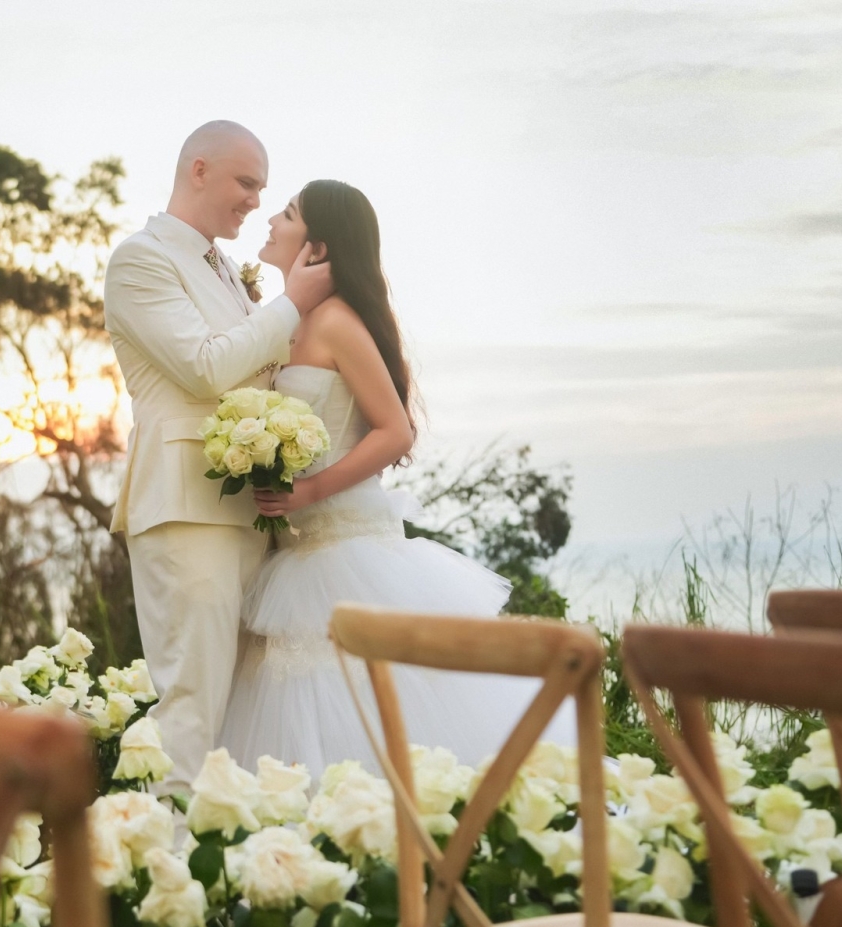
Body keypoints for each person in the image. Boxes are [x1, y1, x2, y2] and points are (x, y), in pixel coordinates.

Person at [217, 180, 575, 778]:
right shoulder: (287, 324)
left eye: (288, 213)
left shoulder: (336, 321)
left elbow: (394, 432)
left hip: (348, 549)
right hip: (293, 554)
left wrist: (307, 491)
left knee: (370, 704)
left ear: (319, 246)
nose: (272, 220)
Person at [104, 121, 334, 790]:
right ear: (198, 170)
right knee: (192, 712)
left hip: (248, 513)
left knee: (240, 720)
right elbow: (207, 370)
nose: (254, 202)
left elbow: (259, 375)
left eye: (262, 189)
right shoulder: (140, 259)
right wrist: (293, 302)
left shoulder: (228, 271)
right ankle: (169, 886)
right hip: (184, 509)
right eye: (245, 183)